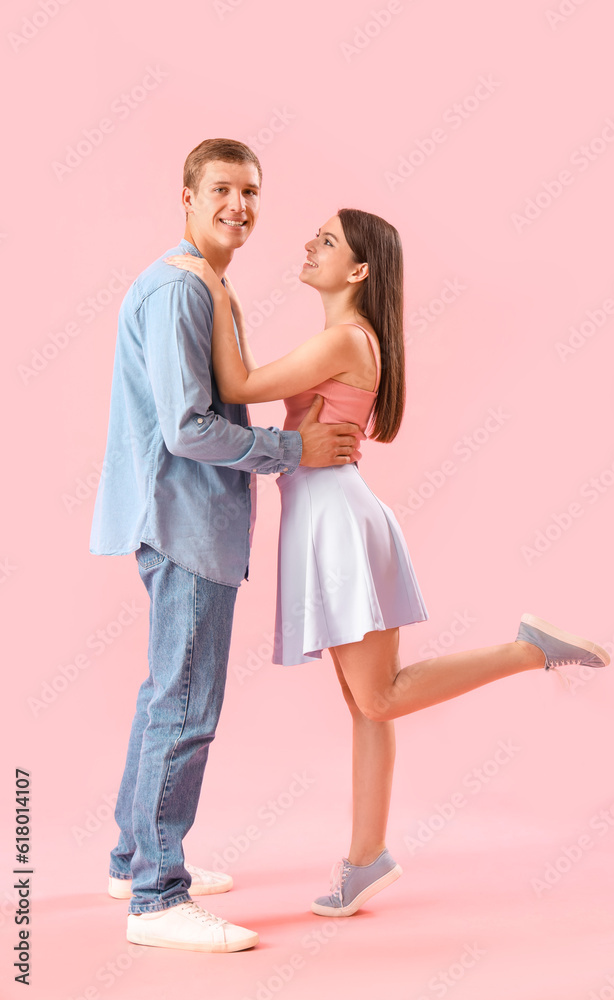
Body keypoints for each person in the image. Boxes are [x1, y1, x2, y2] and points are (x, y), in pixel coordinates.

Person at [164, 206, 611, 919]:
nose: (309, 245)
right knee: (365, 706)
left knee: (377, 698)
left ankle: (527, 652)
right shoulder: (346, 339)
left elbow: (240, 384)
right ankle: (365, 858)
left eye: (328, 242)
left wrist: (213, 286)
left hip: (336, 522)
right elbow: (253, 387)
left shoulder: (345, 339)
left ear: (359, 270)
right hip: (335, 514)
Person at [89, 138, 362, 954]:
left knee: (162, 696)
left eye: (250, 191)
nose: (238, 205)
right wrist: (294, 451)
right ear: (186, 195)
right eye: (221, 189)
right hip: (186, 525)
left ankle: (133, 856)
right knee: (185, 707)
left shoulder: (201, 281)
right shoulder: (182, 291)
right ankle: (156, 896)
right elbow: (187, 429)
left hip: (180, 521)